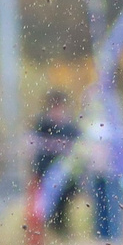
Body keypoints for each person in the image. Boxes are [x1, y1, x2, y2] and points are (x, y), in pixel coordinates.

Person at [29, 90, 80, 235]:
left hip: (67, 176)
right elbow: (33, 144)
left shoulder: (69, 127)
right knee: (42, 204)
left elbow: (77, 146)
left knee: (63, 199)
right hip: (44, 173)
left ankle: (59, 228)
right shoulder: (42, 125)